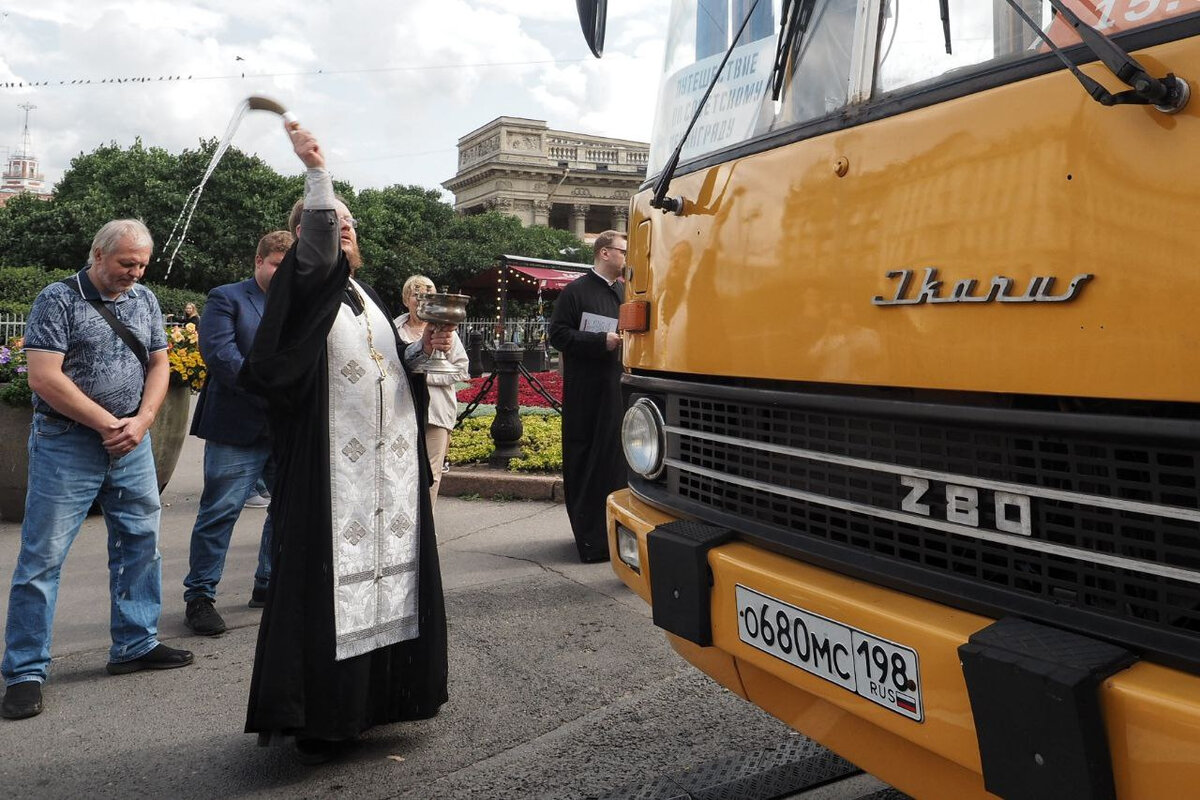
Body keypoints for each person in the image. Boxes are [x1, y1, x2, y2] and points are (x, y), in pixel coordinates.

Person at [240, 122, 450, 763]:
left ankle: (375, 704)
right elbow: (320, 249)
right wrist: (317, 170)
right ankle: (325, 714)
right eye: (334, 223)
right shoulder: (307, 289)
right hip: (333, 474)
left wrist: (420, 350)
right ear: (309, 236)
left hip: (388, 475)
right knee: (330, 588)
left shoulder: (366, 294)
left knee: (393, 585)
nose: (345, 230)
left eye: (350, 223)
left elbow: (381, 367)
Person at [0, 220, 194, 721]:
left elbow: (158, 364)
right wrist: (112, 424)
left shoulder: (145, 300)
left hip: (131, 442)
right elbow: (44, 377)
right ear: (98, 254)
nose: (135, 273)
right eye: (126, 263)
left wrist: (144, 420)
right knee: (42, 558)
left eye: (142, 264)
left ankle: (135, 642)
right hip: (68, 443)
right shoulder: (57, 299)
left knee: (140, 545)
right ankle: (24, 672)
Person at [182, 231, 293, 636]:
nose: (282, 273)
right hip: (237, 425)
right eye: (276, 265)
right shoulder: (226, 298)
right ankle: (200, 596)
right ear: (258, 261)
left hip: (285, 427)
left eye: (289, 266)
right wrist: (278, 387)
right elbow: (221, 356)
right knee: (219, 514)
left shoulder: (299, 303)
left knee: (286, 510)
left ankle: (267, 583)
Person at [548, 230, 626, 563]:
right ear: (605, 253)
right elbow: (558, 335)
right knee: (588, 460)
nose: (627, 257)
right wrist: (600, 342)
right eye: (623, 251)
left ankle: (616, 538)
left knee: (614, 463)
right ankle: (591, 540)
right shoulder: (575, 291)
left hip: (617, 388)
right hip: (586, 392)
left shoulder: (624, 291)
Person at [394, 274, 469, 507]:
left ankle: (427, 531)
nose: (420, 299)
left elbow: (461, 370)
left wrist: (424, 375)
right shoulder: (393, 328)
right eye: (416, 294)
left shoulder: (446, 332)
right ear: (407, 299)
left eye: (427, 294)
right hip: (401, 410)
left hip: (435, 413)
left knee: (431, 476)